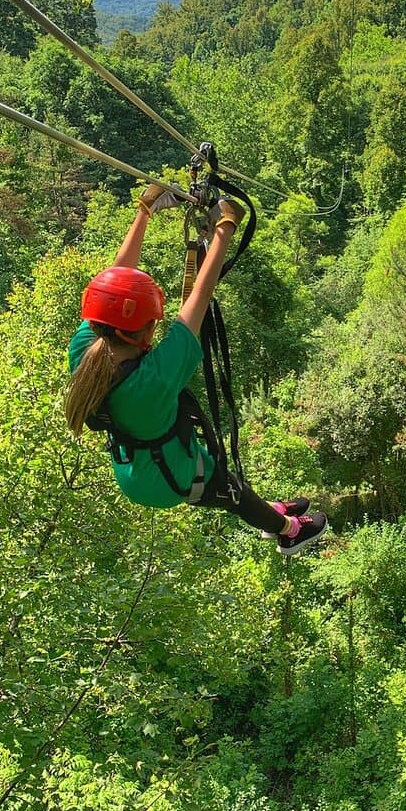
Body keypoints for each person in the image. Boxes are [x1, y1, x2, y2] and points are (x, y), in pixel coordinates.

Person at [64, 182, 328, 555]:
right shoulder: (151, 381)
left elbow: (114, 282)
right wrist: (225, 227)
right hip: (166, 479)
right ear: (146, 329)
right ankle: (288, 530)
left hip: (135, 466)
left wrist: (145, 211)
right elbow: (199, 297)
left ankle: (275, 511)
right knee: (228, 490)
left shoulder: (87, 347)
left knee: (225, 478)